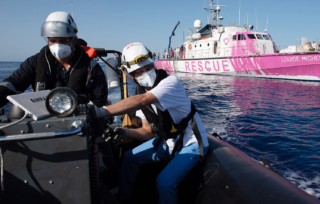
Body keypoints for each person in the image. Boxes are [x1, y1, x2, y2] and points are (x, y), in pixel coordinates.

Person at [90, 42, 209, 204]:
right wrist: (124, 132)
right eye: (138, 72)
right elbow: (148, 131)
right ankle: (125, 198)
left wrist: (101, 111)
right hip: (168, 141)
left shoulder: (170, 83)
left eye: (148, 68)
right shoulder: (141, 92)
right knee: (129, 158)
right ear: (130, 76)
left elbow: (142, 100)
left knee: (164, 182)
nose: (145, 73)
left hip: (191, 143)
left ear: (154, 64)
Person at [0, 11, 115, 176]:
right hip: (43, 123)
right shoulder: (34, 62)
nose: (57, 45)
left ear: (74, 39)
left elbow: (100, 100)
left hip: (83, 122)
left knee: (104, 156)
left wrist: (79, 102)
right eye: (52, 41)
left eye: (63, 41)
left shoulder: (91, 67)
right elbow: (13, 84)